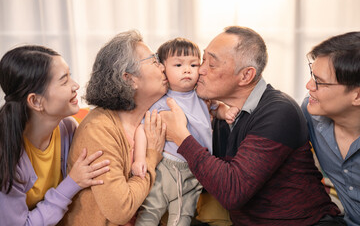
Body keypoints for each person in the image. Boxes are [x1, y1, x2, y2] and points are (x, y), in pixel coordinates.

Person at [159, 26, 344, 225]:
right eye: (202, 60)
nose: (200, 70)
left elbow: (232, 192)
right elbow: (208, 177)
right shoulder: (221, 116)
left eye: (211, 64)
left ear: (246, 76)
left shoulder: (278, 111)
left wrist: (181, 137)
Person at [60, 30, 167, 226]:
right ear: (129, 78)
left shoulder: (153, 120)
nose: (163, 67)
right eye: (154, 60)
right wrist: (151, 157)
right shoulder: (98, 129)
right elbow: (120, 209)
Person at [133, 37, 239, 226]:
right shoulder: (161, 99)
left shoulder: (203, 95)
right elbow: (142, 128)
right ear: (163, 69)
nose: (187, 70)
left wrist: (225, 112)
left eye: (194, 64)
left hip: (195, 170)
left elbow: (215, 107)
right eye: (178, 64)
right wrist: (140, 158)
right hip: (166, 165)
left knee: (183, 217)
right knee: (151, 211)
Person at [0, 45, 110, 226]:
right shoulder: (7, 154)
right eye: (64, 80)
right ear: (36, 101)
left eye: (70, 75)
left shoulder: (68, 128)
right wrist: (71, 184)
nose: (75, 85)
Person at [301, 32, 360, 226]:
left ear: (357, 96)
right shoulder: (311, 113)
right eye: (312, 75)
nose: (309, 85)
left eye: (320, 81)